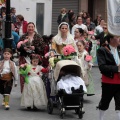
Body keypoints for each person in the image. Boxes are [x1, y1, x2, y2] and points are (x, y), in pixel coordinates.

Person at [17, 22, 46, 93]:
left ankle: (35, 92)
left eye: (32, 27)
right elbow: (18, 47)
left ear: (34, 27)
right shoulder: (23, 36)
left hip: (35, 59)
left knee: (34, 75)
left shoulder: (38, 37)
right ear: (27, 28)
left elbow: (43, 47)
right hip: (24, 57)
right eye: (29, 27)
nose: (30, 28)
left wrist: (34, 48)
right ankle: (24, 92)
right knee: (24, 75)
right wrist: (23, 48)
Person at [97, 34, 120, 120]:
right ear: (111, 39)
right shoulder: (102, 50)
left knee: (119, 105)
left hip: (119, 81)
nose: (119, 39)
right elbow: (102, 67)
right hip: (108, 81)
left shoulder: (119, 49)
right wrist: (117, 68)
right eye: (117, 37)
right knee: (104, 104)